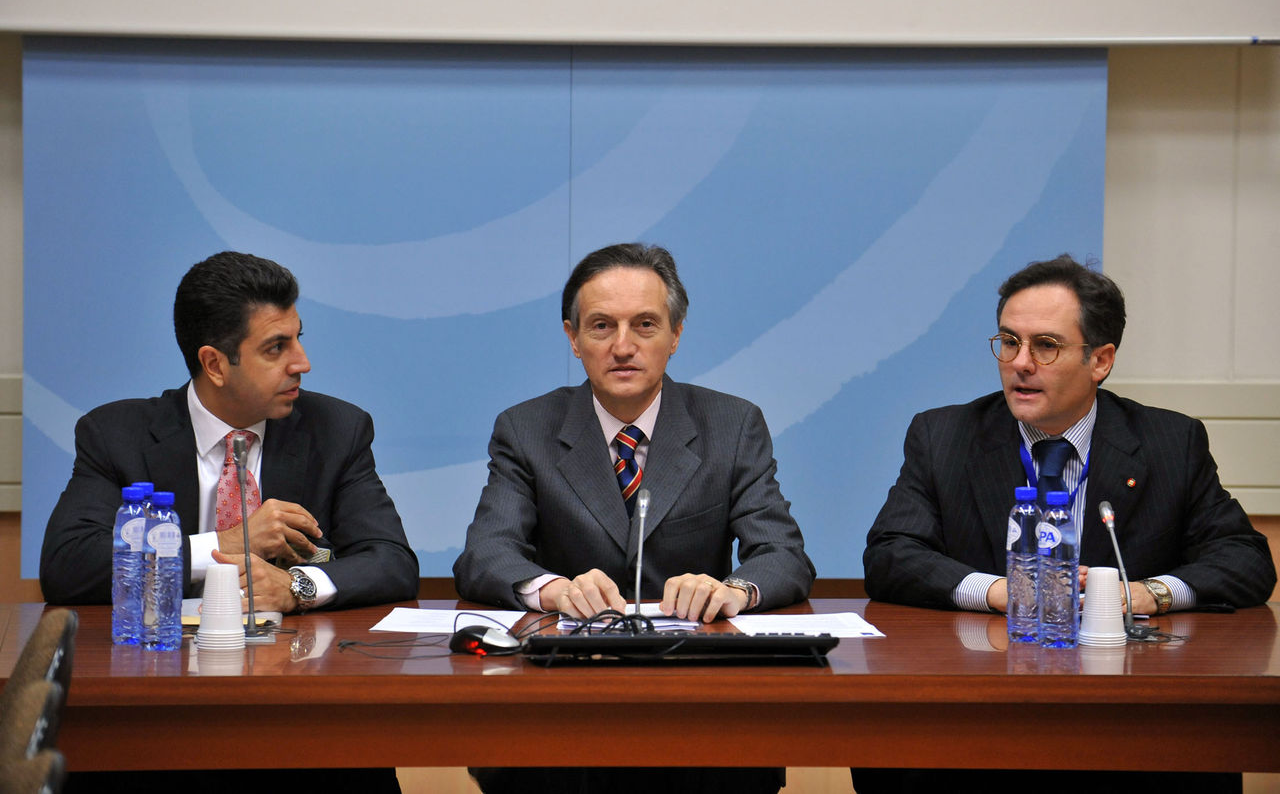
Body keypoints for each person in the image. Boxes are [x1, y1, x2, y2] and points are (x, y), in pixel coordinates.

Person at [857, 254, 1275, 794]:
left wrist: (1145, 594)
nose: (1020, 363)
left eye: (1045, 346)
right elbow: (891, 554)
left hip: (1126, 716)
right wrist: (1001, 591)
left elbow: (1245, 559)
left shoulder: (1170, 441)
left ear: (1100, 360)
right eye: (1009, 342)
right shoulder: (945, 436)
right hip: (979, 712)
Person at [40, 251, 416, 794]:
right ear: (215, 364)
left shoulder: (337, 430)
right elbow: (67, 566)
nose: (302, 363)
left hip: (300, 711)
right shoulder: (117, 435)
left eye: (298, 338)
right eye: (276, 348)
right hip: (156, 707)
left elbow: (392, 561)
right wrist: (224, 544)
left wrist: (296, 586)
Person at [454, 242, 814, 794]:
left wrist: (732, 590)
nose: (623, 347)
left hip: (696, 695)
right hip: (562, 695)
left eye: (645, 325)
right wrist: (552, 589)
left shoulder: (732, 424)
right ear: (573, 339)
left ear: (676, 335)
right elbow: (485, 554)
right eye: (601, 327)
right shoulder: (526, 429)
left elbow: (783, 555)